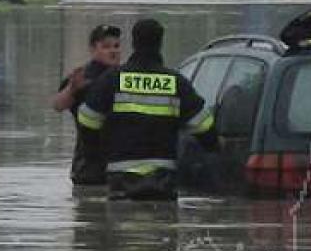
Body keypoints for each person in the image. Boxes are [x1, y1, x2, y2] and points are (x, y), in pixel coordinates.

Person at [78, 18, 217, 200]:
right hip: (162, 177)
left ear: (134, 43)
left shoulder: (112, 79)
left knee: (120, 223)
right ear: (160, 43)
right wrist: (215, 147)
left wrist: (98, 155)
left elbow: (87, 121)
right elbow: (204, 128)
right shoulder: (176, 82)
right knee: (162, 225)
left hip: (121, 176)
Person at [53, 24, 122, 185]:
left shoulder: (127, 76)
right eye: (106, 47)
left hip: (120, 166)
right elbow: (58, 105)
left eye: (117, 46)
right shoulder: (82, 76)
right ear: (92, 49)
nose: (113, 51)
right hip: (88, 167)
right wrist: (72, 89)